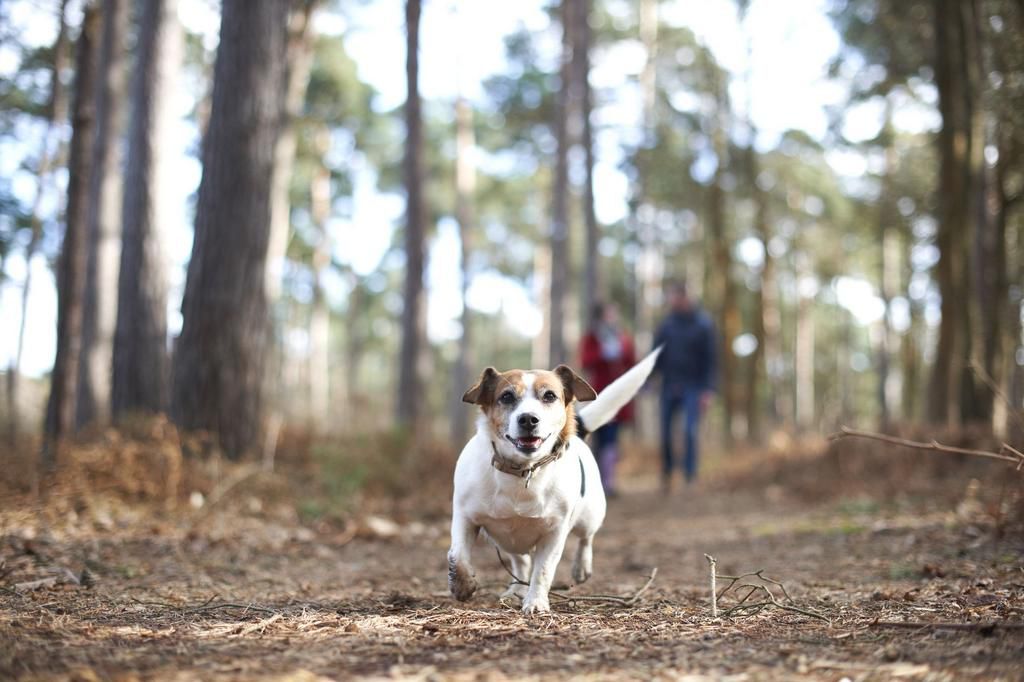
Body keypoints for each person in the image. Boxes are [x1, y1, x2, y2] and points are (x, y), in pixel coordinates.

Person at [652, 281, 717, 491]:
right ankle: (668, 472)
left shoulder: (704, 324)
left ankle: (690, 475)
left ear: (684, 298)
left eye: (674, 298)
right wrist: (647, 380)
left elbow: (712, 359)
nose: (671, 302)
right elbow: (656, 356)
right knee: (665, 433)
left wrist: (708, 390)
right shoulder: (667, 325)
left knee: (689, 431)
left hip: (694, 387)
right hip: (669, 385)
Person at [579, 302, 636, 498]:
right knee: (596, 438)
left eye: (614, 313)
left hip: (616, 396)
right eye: (609, 313)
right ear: (601, 316)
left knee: (611, 439)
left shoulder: (622, 336)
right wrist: (603, 354)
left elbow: (630, 360)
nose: (613, 317)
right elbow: (585, 361)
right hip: (597, 395)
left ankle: (608, 482)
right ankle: (592, 481)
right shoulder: (592, 337)